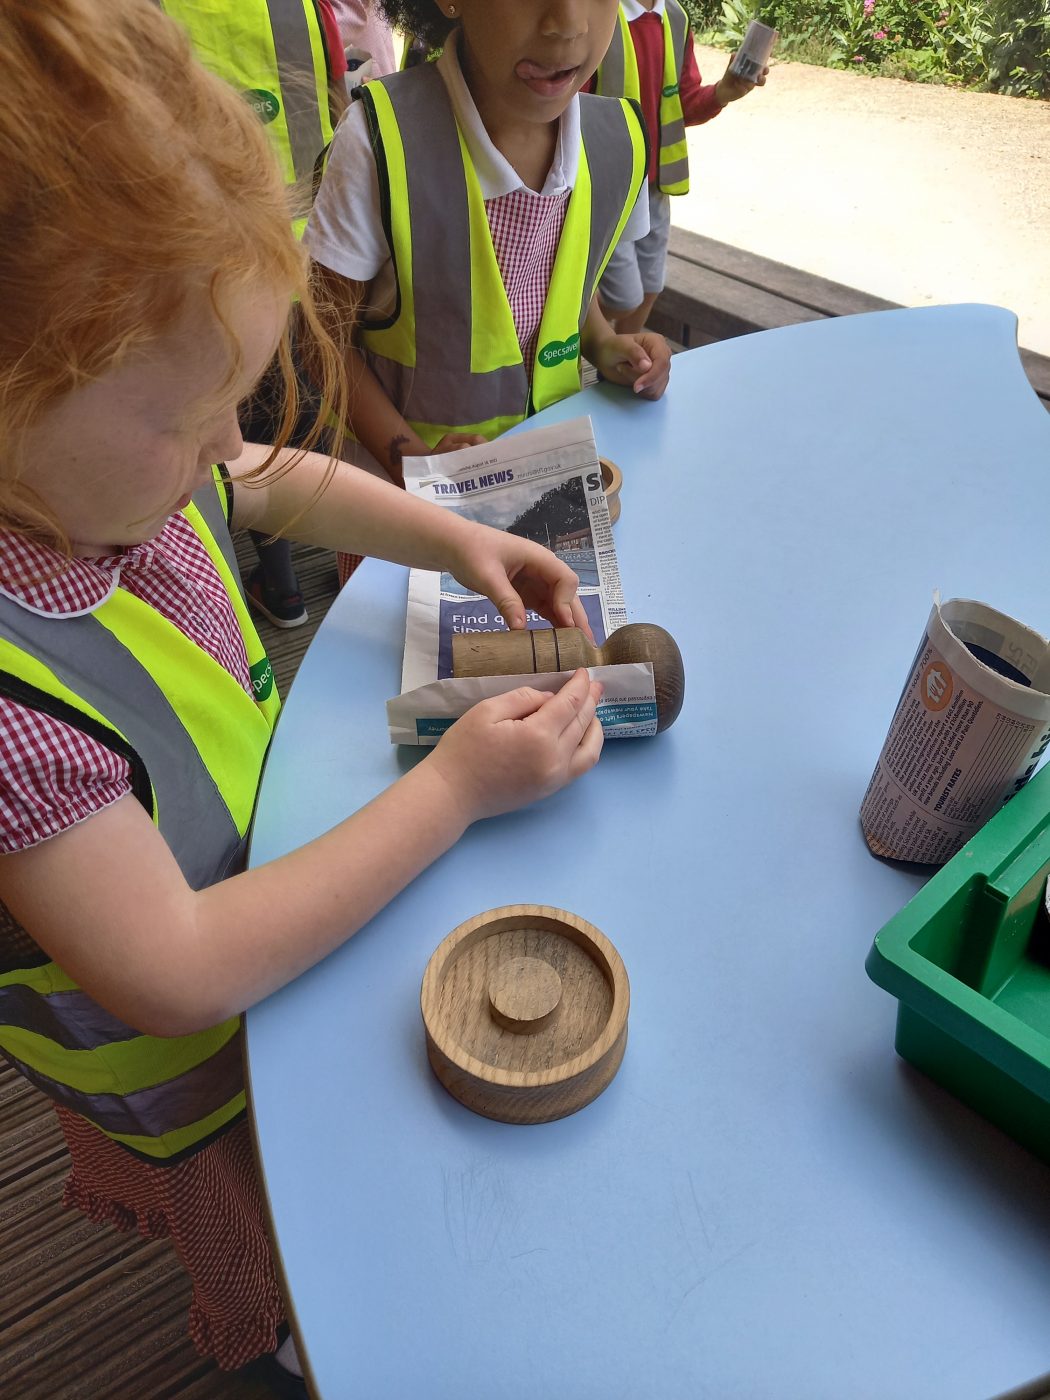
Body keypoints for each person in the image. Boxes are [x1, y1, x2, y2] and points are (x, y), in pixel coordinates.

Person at [0, 3, 604, 1396]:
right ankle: (294, 1338)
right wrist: (454, 789)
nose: (229, 439)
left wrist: (453, 533)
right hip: (202, 1067)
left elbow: (266, 476)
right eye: (186, 417)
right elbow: (178, 969)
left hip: (276, 925)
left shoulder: (101, 471)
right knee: (297, 1249)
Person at [304, 0, 673, 587]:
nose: (568, 23)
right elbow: (319, 339)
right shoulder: (383, 141)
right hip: (399, 513)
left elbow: (562, 282)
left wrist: (605, 342)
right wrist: (415, 465)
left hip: (544, 492)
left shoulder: (616, 143)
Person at [161, 0, 349, 630]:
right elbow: (335, 111)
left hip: (216, 276)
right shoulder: (302, 10)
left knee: (254, 434)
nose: (225, 443)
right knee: (292, 422)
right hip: (294, 260)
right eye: (171, 422)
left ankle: (282, 584)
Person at [592, 0, 767, 334]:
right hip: (608, 186)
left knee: (651, 287)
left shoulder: (675, 17)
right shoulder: (596, 12)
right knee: (623, 298)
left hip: (656, 186)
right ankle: (579, 335)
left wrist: (723, 92)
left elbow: (683, 103)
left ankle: (622, 361)